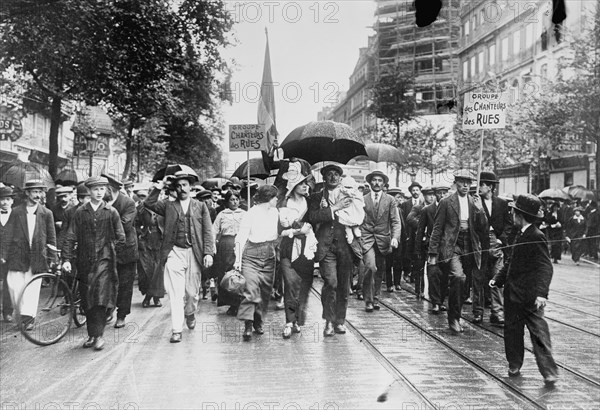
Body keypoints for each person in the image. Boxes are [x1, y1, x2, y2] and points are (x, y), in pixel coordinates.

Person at [490, 194, 558, 386]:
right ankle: (514, 364)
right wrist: (497, 279)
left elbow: (545, 267)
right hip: (513, 295)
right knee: (512, 333)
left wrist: (541, 293)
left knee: (539, 334)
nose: (511, 214)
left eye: (513, 212)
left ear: (520, 215)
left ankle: (549, 371)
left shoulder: (536, 236)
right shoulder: (519, 234)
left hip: (529, 298)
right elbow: (511, 262)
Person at [144, 171, 215, 343]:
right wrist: (160, 186)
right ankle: (176, 330)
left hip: (194, 252)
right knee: (176, 294)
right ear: (175, 188)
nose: (182, 188)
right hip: (174, 251)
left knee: (191, 294)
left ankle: (190, 313)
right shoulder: (168, 206)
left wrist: (208, 252)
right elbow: (148, 203)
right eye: (178, 185)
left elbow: (207, 230)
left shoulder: (200, 206)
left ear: (190, 187)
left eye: (185, 185)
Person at [62, 176, 126, 351]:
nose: (99, 192)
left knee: (99, 298)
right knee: (87, 299)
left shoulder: (111, 212)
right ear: (88, 191)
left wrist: (111, 251)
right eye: (96, 189)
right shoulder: (80, 212)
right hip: (84, 261)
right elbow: (70, 235)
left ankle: (98, 336)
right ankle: (92, 334)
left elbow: (121, 237)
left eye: (102, 189)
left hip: (105, 262)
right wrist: (66, 259)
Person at [427, 170, 488, 334]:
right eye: (462, 182)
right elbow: (437, 228)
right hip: (452, 245)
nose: (466, 185)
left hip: (470, 245)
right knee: (458, 277)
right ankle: (454, 318)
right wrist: (432, 253)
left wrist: (480, 210)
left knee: (465, 285)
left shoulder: (474, 201)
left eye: (469, 182)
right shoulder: (447, 202)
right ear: (456, 183)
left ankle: (456, 311)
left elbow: (483, 226)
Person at [308, 164, 357, 337]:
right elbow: (312, 217)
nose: (333, 177)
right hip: (326, 246)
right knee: (331, 283)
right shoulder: (316, 197)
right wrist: (331, 209)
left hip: (345, 246)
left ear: (341, 178)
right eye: (329, 174)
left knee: (344, 285)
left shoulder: (349, 194)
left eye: (337, 174)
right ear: (324, 177)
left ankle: (340, 321)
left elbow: (358, 215)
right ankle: (328, 321)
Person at [5, 179, 57, 331]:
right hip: (17, 255)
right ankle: (21, 313)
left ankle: (28, 318)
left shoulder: (46, 213)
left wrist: (53, 257)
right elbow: (8, 234)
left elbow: (51, 237)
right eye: (35, 191)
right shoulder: (16, 212)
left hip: (37, 257)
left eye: (40, 192)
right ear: (27, 193)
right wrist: (4, 254)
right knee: (14, 286)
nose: (38, 195)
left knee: (32, 288)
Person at [234, 185, 279, 341]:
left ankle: (258, 321)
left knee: (265, 292)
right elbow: (240, 237)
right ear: (268, 198)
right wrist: (238, 260)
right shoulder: (250, 214)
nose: (277, 200)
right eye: (275, 197)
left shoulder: (275, 213)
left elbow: (278, 232)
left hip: (269, 254)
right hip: (251, 255)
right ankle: (248, 324)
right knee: (251, 290)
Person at [277, 162, 317, 338]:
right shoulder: (284, 204)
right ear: (293, 186)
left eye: (306, 183)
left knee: (302, 285)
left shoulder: (310, 203)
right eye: (301, 183)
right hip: (288, 247)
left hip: (306, 249)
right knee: (290, 283)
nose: (305, 186)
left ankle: (296, 319)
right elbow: (279, 231)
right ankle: (288, 320)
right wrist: (297, 230)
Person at [360, 170, 401, 312]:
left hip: (383, 240)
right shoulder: (363, 199)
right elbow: (358, 219)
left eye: (380, 180)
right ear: (370, 182)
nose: (377, 183)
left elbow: (395, 221)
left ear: (384, 184)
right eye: (374, 180)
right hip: (367, 239)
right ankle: (368, 300)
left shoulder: (390, 200)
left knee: (380, 270)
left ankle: (376, 298)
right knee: (370, 267)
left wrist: (395, 238)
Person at [475, 171, 512, 325]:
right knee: (479, 278)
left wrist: (501, 239)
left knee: (497, 278)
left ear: (489, 187)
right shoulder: (475, 202)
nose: (478, 188)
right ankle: (478, 312)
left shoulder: (502, 204)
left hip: (497, 245)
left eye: (481, 185)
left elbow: (509, 224)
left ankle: (497, 313)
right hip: (480, 244)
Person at [102, 175, 138, 329]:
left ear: (112, 189)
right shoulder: (101, 203)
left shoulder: (127, 203)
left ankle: (121, 314)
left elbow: (125, 225)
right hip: (106, 250)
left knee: (125, 284)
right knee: (106, 282)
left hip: (126, 251)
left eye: (104, 189)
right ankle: (108, 308)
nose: (101, 192)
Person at [415, 184, 450, 313]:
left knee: (445, 275)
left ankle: (441, 300)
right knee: (433, 273)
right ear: (435, 195)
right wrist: (418, 249)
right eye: (440, 193)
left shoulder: (451, 208)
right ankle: (435, 302)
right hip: (432, 246)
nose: (442, 196)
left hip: (447, 246)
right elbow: (420, 230)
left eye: (444, 193)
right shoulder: (427, 210)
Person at [213, 191, 246, 316]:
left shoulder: (244, 214)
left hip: (241, 243)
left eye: (237, 199)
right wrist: (213, 247)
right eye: (232, 199)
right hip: (226, 244)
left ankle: (241, 303)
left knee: (240, 272)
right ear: (227, 201)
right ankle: (231, 304)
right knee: (227, 273)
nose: (235, 202)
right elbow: (213, 231)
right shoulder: (221, 215)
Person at [135, 190, 165, 308]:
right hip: (145, 242)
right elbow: (135, 224)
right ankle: (149, 296)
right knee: (147, 271)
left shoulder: (164, 207)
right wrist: (140, 234)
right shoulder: (141, 209)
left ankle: (154, 298)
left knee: (158, 271)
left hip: (160, 242)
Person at [407, 186, 436, 299]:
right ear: (424, 196)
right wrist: (421, 226)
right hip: (420, 240)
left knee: (431, 266)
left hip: (431, 240)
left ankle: (430, 291)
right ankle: (419, 290)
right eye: (429, 195)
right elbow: (409, 219)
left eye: (433, 194)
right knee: (419, 266)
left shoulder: (437, 207)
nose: (432, 197)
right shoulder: (418, 207)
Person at [400, 181, 422, 283]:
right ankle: (407, 272)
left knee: (416, 253)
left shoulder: (423, 204)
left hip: (419, 233)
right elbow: (404, 219)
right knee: (407, 253)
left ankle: (414, 274)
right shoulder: (405, 204)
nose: (415, 192)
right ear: (410, 192)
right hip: (408, 232)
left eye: (417, 190)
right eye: (413, 190)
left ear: (420, 191)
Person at [384, 188, 405, 293]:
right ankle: (389, 284)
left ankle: (397, 283)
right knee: (388, 263)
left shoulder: (400, 210)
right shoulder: (386, 209)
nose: (399, 200)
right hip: (388, 239)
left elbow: (402, 226)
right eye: (397, 198)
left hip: (399, 240)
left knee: (398, 262)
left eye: (400, 198)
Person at [0, 186, 16, 322]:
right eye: (2, 200)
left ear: (12, 201)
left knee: (8, 284)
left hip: (12, 256)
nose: (5, 202)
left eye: (7, 199)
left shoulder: (17, 215)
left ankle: (7, 311)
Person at [336, 176, 365, 244]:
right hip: (345, 208)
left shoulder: (356, 192)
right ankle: (348, 231)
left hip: (354, 208)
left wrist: (359, 203)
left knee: (357, 217)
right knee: (345, 218)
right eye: (346, 187)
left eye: (350, 187)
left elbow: (360, 199)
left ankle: (356, 228)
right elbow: (338, 199)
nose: (348, 189)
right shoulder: (340, 192)